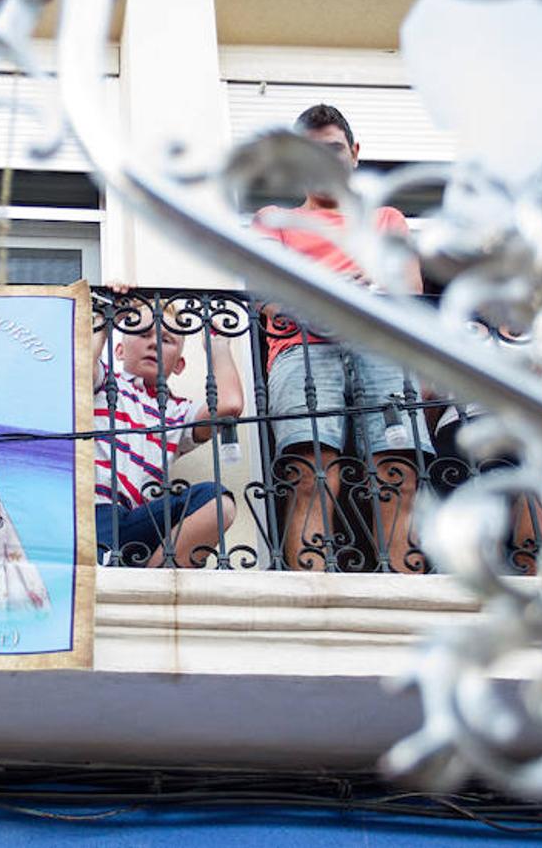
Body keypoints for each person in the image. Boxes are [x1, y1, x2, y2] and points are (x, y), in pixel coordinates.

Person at [254, 104, 434, 574]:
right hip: (302, 353)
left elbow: (408, 289)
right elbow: (270, 298)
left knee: (398, 479)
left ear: (354, 155)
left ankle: (408, 599)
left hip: (383, 352)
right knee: (312, 476)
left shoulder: (386, 219)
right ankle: (311, 603)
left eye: (333, 150)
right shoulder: (274, 219)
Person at [92, 287, 244, 568]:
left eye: (166, 340)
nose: (154, 344)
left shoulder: (177, 411)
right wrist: (106, 313)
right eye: (144, 334)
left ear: (179, 365)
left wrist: (218, 345)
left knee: (219, 503)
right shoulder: (104, 381)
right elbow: (80, 370)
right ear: (119, 350)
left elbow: (229, 405)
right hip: (94, 513)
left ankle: (157, 580)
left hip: (141, 521)